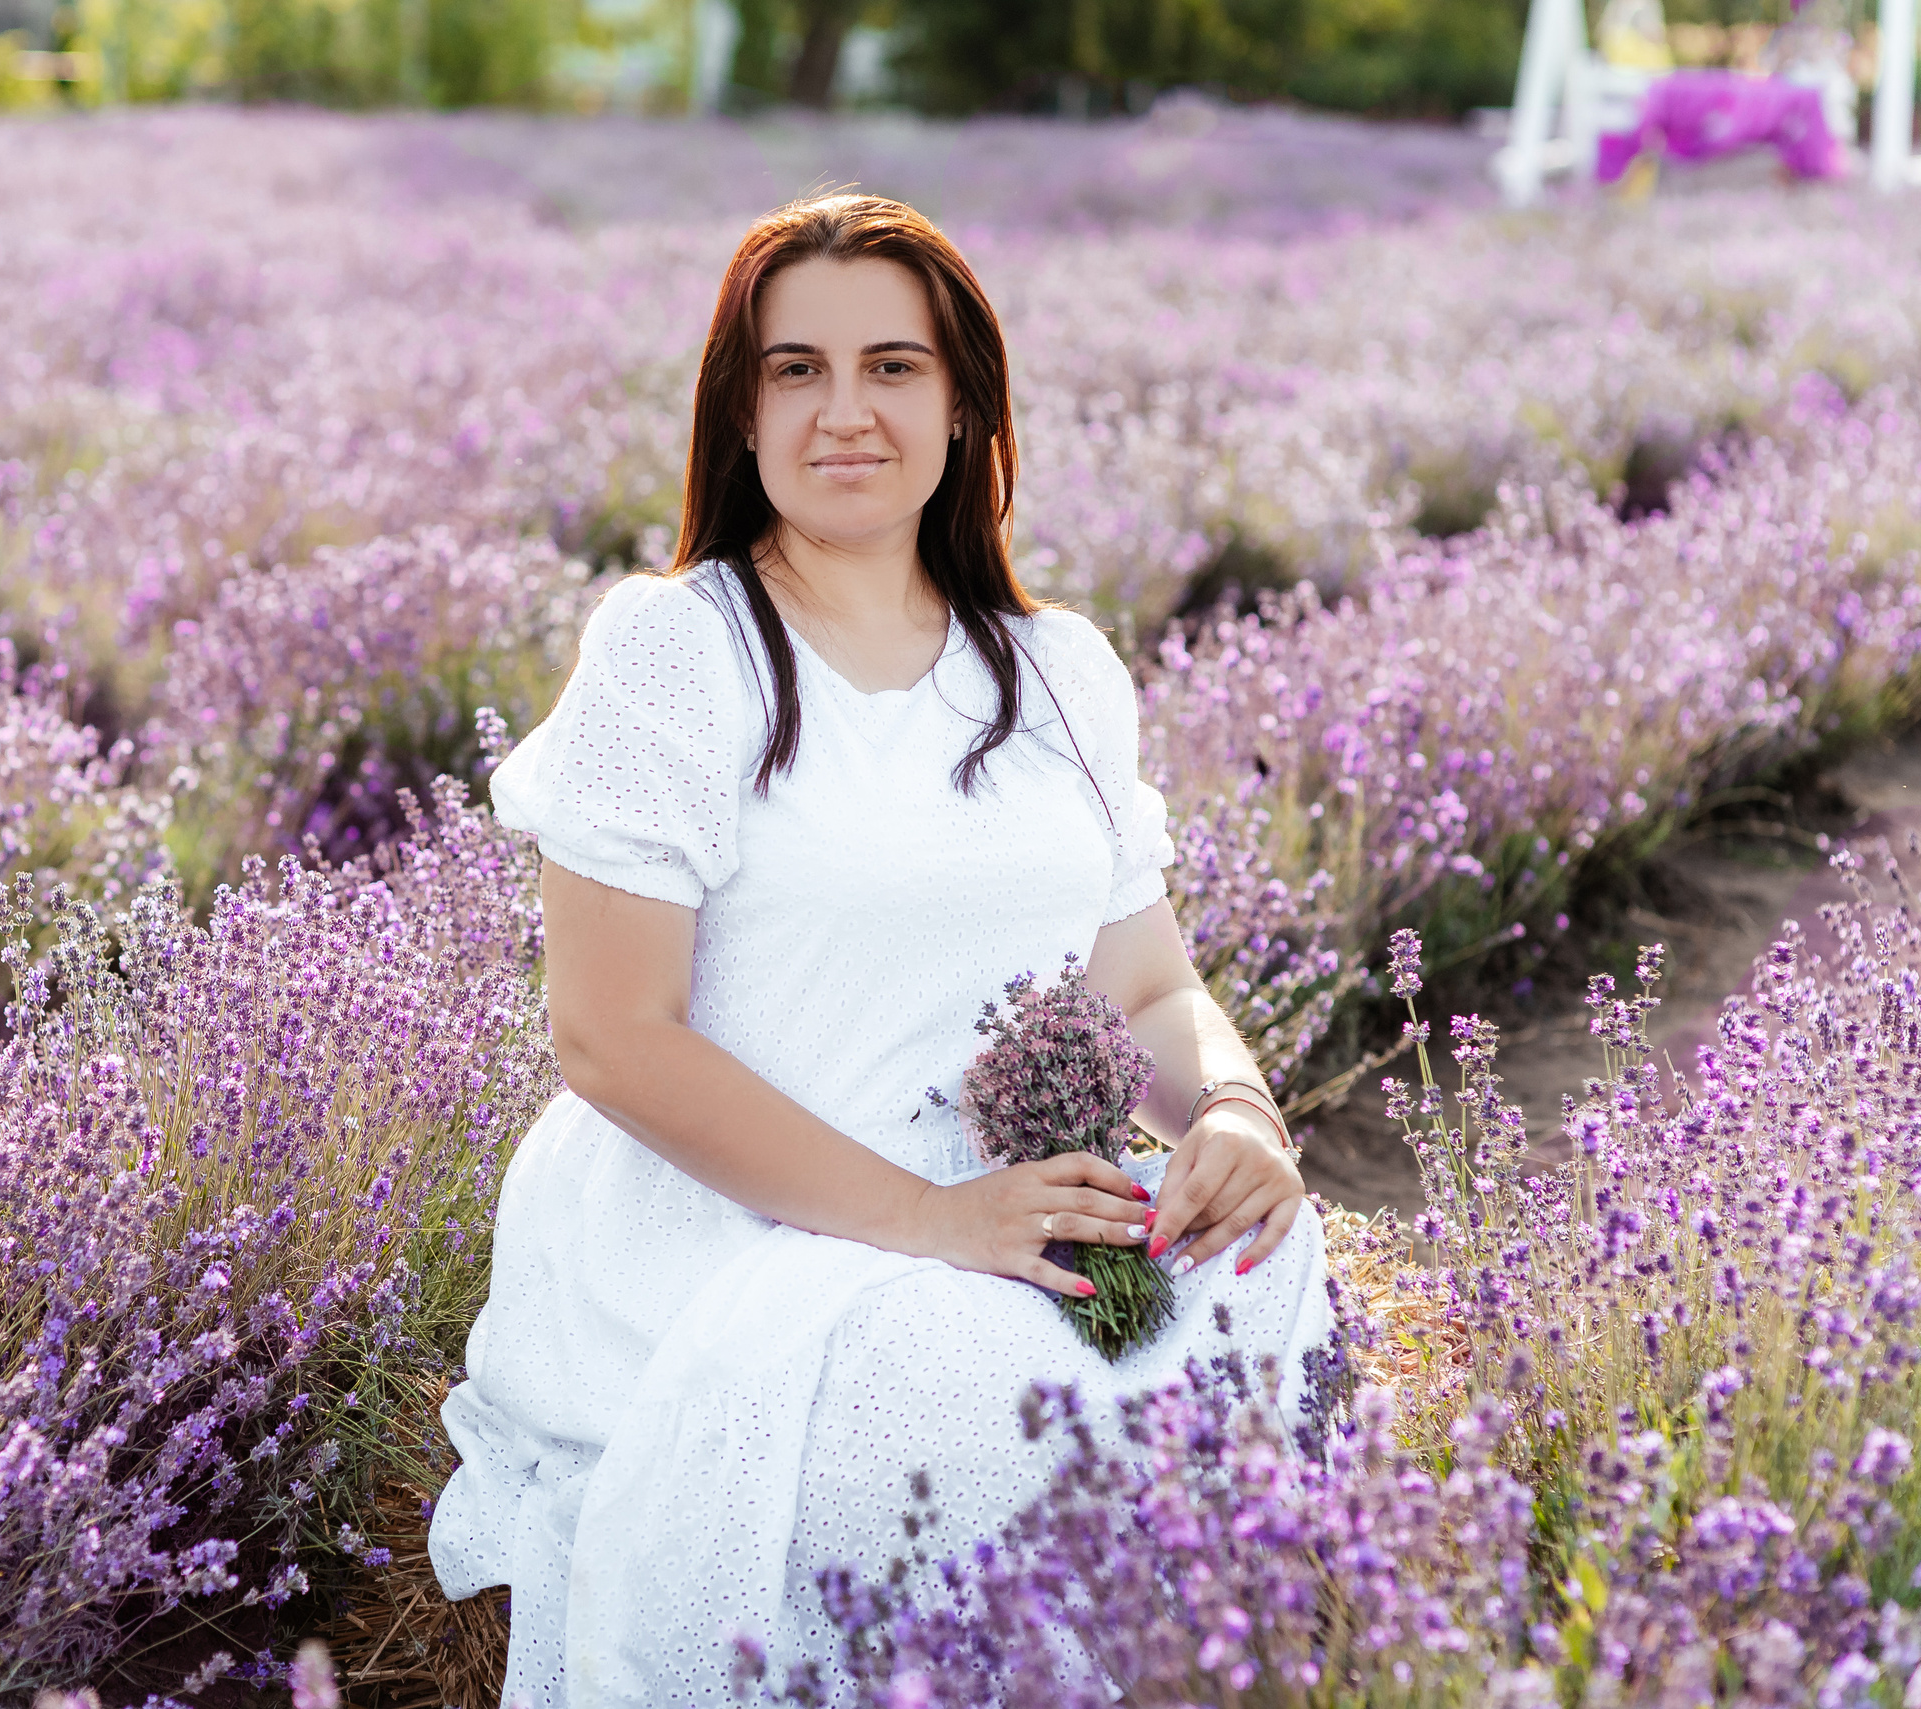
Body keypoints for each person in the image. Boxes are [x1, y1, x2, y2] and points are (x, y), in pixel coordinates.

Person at [428, 194, 1335, 1707]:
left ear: (965, 400)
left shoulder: (1058, 670)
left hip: (1005, 1198)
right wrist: (929, 1218)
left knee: (1271, 1259)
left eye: (893, 367)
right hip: (745, 1227)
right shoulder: (679, 648)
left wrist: (1236, 1113)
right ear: (740, 410)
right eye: (794, 371)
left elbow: (1151, 981)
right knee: (982, 1405)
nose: (844, 411)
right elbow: (610, 1035)